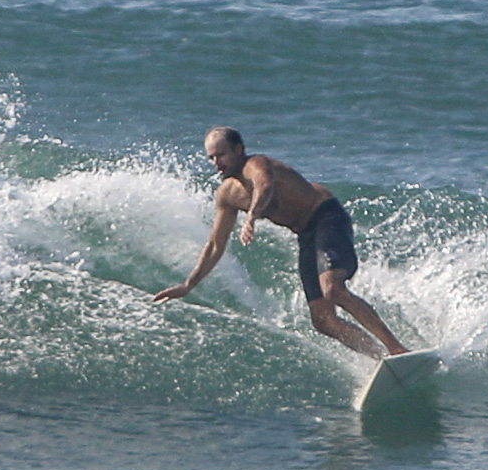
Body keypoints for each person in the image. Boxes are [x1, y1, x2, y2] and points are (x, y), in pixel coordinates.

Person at [154, 127, 409, 360]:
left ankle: (396, 348)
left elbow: (264, 187)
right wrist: (188, 285)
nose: (216, 163)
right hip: (306, 234)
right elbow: (214, 245)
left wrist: (252, 216)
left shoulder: (257, 165)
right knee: (322, 320)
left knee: (333, 289)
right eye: (211, 157)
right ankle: (381, 358)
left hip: (326, 217)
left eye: (221, 155)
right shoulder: (228, 194)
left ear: (238, 149)